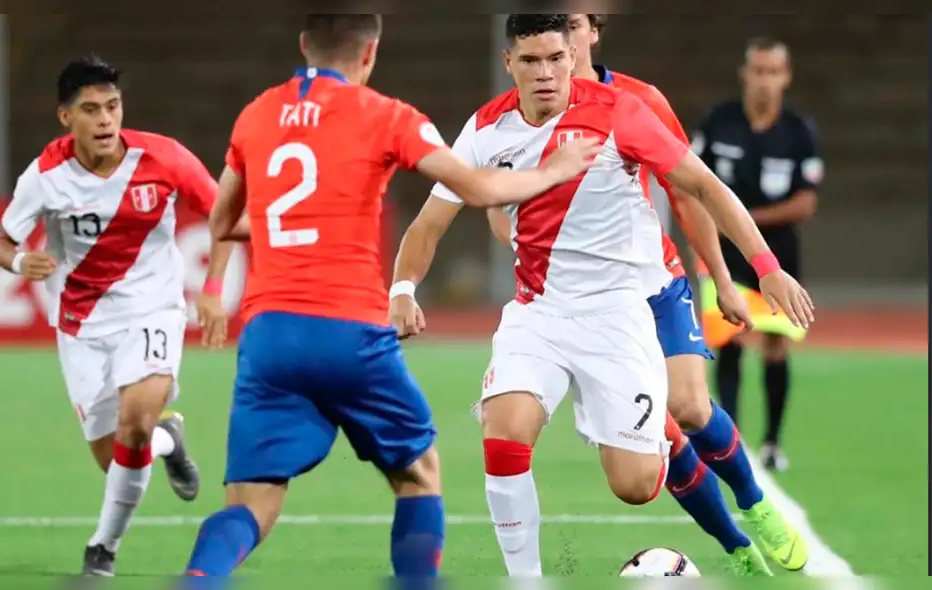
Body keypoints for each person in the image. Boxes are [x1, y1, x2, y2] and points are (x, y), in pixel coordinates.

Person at [390, 14, 813, 578]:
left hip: (623, 311)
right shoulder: (485, 129)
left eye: (555, 58)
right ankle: (527, 578)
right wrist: (401, 289)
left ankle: (744, 499)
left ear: (576, 53)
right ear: (508, 62)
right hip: (538, 313)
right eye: (531, 60)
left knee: (642, 478)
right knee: (505, 430)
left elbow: (702, 187)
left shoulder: (623, 110)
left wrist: (762, 269)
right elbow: (428, 223)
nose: (545, 72)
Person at [179, 14, 600, 580]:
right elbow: (476, 187)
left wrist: (288, 229)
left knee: (251, 503)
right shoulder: (383, 115)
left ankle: (198, 579)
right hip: (348, 328)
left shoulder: (258, 114)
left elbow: (223, 218)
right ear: (370, 53)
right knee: (418, 472)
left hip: (269, 332)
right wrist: (551, 171)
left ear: (305, 45)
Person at [0, 55, 234, 576]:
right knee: (119, 454)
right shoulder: (45, 176)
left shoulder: (163, 158)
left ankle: (103, 548)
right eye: (91, 109)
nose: (105, 120)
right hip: (80, 324)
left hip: (153, 309)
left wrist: (212, 288)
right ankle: (171, 439)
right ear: (65, 117)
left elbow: (226, 214)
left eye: (113, 106)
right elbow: (2, 241)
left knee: (135, 421)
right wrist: (17, 261)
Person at [692, 37, 822, 472]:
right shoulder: (718, 123)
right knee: (727, 341)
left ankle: (771, 442)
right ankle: (734, 440)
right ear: (745, 73)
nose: (765, 80)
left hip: (779, 259)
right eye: (758, 70)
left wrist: (741, 218)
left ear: (785, 77)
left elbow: (805, 203)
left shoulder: (799, 132)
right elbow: (693, 185)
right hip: (724, 256)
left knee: (775, 345)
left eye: (773, 71)